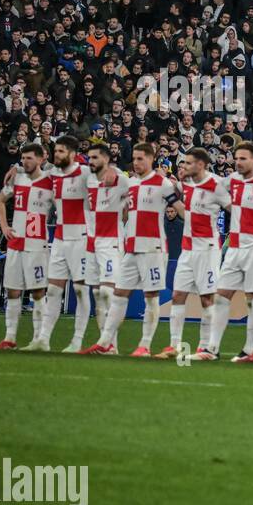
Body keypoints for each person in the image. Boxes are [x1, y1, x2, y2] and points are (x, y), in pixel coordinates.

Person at [193, 142, 253, 363]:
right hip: (234, 247)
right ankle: (212, 349)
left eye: (243, 158)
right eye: (236, 158)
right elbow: (207, 183)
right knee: (221, 297)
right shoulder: (231, 180)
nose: (237, 162)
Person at [84, 143, 170, 357]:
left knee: (151, 296)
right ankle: (105, 343)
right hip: (130, 247)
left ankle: (145, 345)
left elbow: (179, 206)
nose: (137, 163)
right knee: (119, 293)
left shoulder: (163, 182)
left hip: (153, 247)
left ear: (151, 159)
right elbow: (106, 174)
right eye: (134, 158)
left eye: (141, 158)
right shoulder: (129, 183)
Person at [161, 146, 231, 359]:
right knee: (177, 295)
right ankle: (174, 346)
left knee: (207, 299)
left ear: (200, 164)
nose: (185, 167)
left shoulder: (216, 185)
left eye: (189, 163)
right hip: (187, 249)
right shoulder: (187, 184)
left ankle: (206, 348)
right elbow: (181, 204)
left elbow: (234, 209)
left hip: (207, 249)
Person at [0, 143, 54, 351]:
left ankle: (38, 340)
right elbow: (0, 201)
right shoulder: (17, 178)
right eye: (22, 158)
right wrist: (4, 226)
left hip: (37, 244)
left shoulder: (50, 181)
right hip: (16, 242)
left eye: (29, 158)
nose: (24, 162)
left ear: (40, 159)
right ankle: (9, 338)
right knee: (12, 291)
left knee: (37, 292)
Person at [35, 136, 94, 352]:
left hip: (81, 237)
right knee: (52, 290)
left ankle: (77, 340)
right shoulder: (53, 175)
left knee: (80, 290)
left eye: (60, 151)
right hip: (59, 238)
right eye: (55, 151)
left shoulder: (86, 173)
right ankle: (43, 339)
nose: (56, 155)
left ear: (71, 153)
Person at [81, 142, 130, 352]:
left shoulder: (120, 179)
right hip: (91, 243)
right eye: (89, 158)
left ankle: (111, 344)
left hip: (111, 242)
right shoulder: (87, 178)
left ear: (106, 159)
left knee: (109, 293)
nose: (90, 161)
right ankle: (107, 345)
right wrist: (18, 168)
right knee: (98, 296)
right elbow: (57, 169)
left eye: (95, 158)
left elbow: (140, 188)